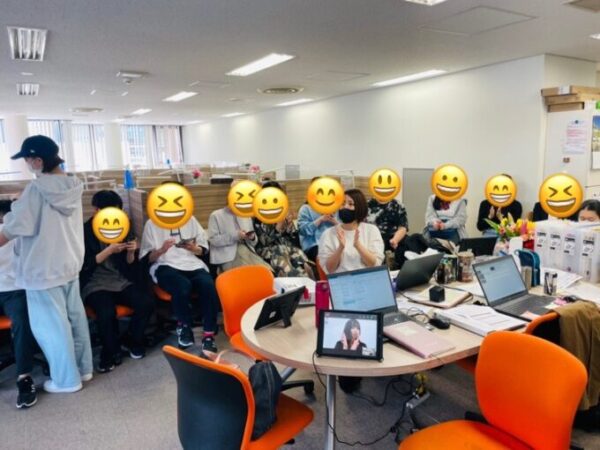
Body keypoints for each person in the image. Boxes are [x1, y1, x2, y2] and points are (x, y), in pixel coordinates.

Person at [0, 135, 93, 394]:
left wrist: (21, 205)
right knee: (74, 320)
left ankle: (66, 380)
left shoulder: (37, 190)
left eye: (27, 159)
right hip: (69, 265)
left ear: (38, 160)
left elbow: (11, 230)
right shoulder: (73, 184)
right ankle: (83, 369)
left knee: (51, 328)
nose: (27, 164)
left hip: (42, 270)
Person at [80, 190, 154, 373]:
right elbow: (84, 265)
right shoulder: (84, 231)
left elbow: (129, 264)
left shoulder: (122, 226)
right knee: (106, 312)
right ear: (97, 211)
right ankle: (109, 352)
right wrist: (108, 250)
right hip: (95, 282)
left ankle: (132, 340)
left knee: (146, 302)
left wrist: (131, 251)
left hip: (119, 279)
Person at [140, 211, 219, 351]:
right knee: (182, 285)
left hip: (191, 263)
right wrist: (162, 249)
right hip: (164, 264)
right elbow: (147, 258)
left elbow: (203, 250)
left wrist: (194, 248)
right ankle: (184, 326)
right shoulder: (151, 223)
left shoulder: (190, 219)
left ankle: (209, 334)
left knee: (208, 285)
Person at [0, 200, 37, 408]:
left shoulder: (21, 235)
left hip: (14, 290)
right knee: (21, 321)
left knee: (21, 321)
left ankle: (24, 376)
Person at [208, 180, 271, 272]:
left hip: (249, 253)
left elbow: (254, 243)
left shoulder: (246, 215)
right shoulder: (216, 215)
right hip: (228, 257)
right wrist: (236, 236)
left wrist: (252, 237)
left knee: (267, 272)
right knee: (250, 273)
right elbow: (213, 240)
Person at [253, 181, 313, 277]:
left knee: (306, 267)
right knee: (290, 269)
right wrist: (277, 228)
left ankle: (306, 279)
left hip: (286, 248)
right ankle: (297, 280)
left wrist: (289, 225)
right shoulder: (258, 217)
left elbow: (292, 237)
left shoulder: (281, 211)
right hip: (269, 252)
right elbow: (263, 242)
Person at [319, 189, 384, 274]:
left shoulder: (371, 230)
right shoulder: (328, 234)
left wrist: (358, 246)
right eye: (343, 203)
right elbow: (329, 270)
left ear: (360, 207)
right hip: (341, 280)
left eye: (350, 204)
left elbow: (375, 265)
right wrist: (340, 248)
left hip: (367, 278)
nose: (345, 207)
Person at [297, 177, 338, 263]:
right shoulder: (305, 209)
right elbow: (302, 230)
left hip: (333, 243)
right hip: (314, 245)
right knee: (326, 257)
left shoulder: (335, 208)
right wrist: (320, 220)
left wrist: (334, 221)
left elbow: (344, 228)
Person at [366, 196, 408, 266]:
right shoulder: (367, 205)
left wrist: (395, 240)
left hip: (391, 241)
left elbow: (403, 227)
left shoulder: (397, 205)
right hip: (372, 241)